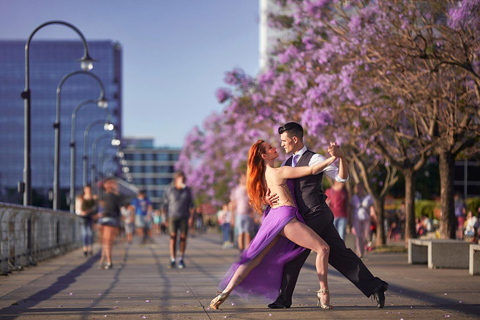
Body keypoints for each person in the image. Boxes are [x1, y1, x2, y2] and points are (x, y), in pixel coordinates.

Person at [268, 122, 388, 309]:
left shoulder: (315, 158)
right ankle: (376, 286)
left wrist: (342, 159)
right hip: (305, 217)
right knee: (340, 255)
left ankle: (283, 299)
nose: (282, 144)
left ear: (295, 139)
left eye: (284, 140)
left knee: (294, 253)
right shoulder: (286, 163)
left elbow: (341, 178)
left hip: (316, 214)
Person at [210, 140, 336, 310]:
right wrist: (332, 158)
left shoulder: (263, 176)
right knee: (323, 249)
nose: (275, 148)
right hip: (285, 217)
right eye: (270, 148)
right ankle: (324, 293)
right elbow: (313, 169)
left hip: (273, 218)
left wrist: (265, 200)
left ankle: (225, 291)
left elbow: (265, 196)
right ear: (264, 156)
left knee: (254, 258)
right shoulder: (279, 171)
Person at [163, 171, 195, 269]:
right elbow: (165, 205)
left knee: (183, 237)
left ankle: (181, 258)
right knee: (173, 237)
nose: (183, 181)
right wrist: (165, 218)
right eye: (181, 179)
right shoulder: (169, 190)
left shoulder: (187, 191)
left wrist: (191, 218)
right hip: (172, 216)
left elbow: (192, 206)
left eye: (184, 179)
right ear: (176, 179)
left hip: (184, 216)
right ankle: (172, 258)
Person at [98, 178, 127, 270]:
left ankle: (108, 260)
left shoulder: (117, 196)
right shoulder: (102, 195)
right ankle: (105, 259)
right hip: (102, 219)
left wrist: (116, 189)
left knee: (107, 240)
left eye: (111, 183)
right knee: (104, 240)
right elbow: (99, 207)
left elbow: (121, 206)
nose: (109, 185)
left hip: (112, 219)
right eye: (108, 183)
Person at [230, 173, 255, 252]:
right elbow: (232, 204)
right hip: (239, 214)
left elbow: (253, 202)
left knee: (248, 233)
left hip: (248, 214)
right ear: (240, 179)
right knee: (240, 233)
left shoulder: (250, 189)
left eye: (246, 178)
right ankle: (241, 251)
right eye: (243, 178)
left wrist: (253, 213)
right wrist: (232, 217)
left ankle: (247, 251)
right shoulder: (236, 190)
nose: (244, 179)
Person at [351, 183, 375, 258]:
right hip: (356, 218)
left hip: (366, 218)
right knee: (358, 236)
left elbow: (372, 207)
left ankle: (363, 250)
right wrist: (350, 220)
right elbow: (351, 209)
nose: (360, 189)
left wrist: (373, 216)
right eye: (358, 188)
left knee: (365, 235)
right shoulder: (354, 198)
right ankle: (359, 252)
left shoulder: (368, 197)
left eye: (361, 187)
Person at [75, 185, 97, 257]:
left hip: (91, 217)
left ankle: (90, 248)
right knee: (84, 233)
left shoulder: (93, 198)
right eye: (86, 189)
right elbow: (77, 208)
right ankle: (85, 249)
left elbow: (96, 209)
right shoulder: (80, 198)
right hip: (83, 217)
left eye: (89, 189)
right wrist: (81, 212)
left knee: (90, 233)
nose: (88, 191)